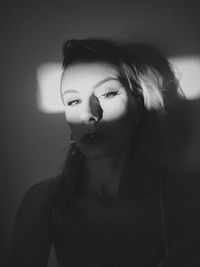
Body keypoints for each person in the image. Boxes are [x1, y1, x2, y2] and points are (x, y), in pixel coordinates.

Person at [9, 39, 190, 267]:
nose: (88, 114)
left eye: (107, 94)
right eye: (73, 101)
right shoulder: (43, 202)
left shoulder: (185, 198)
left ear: (139, 101)